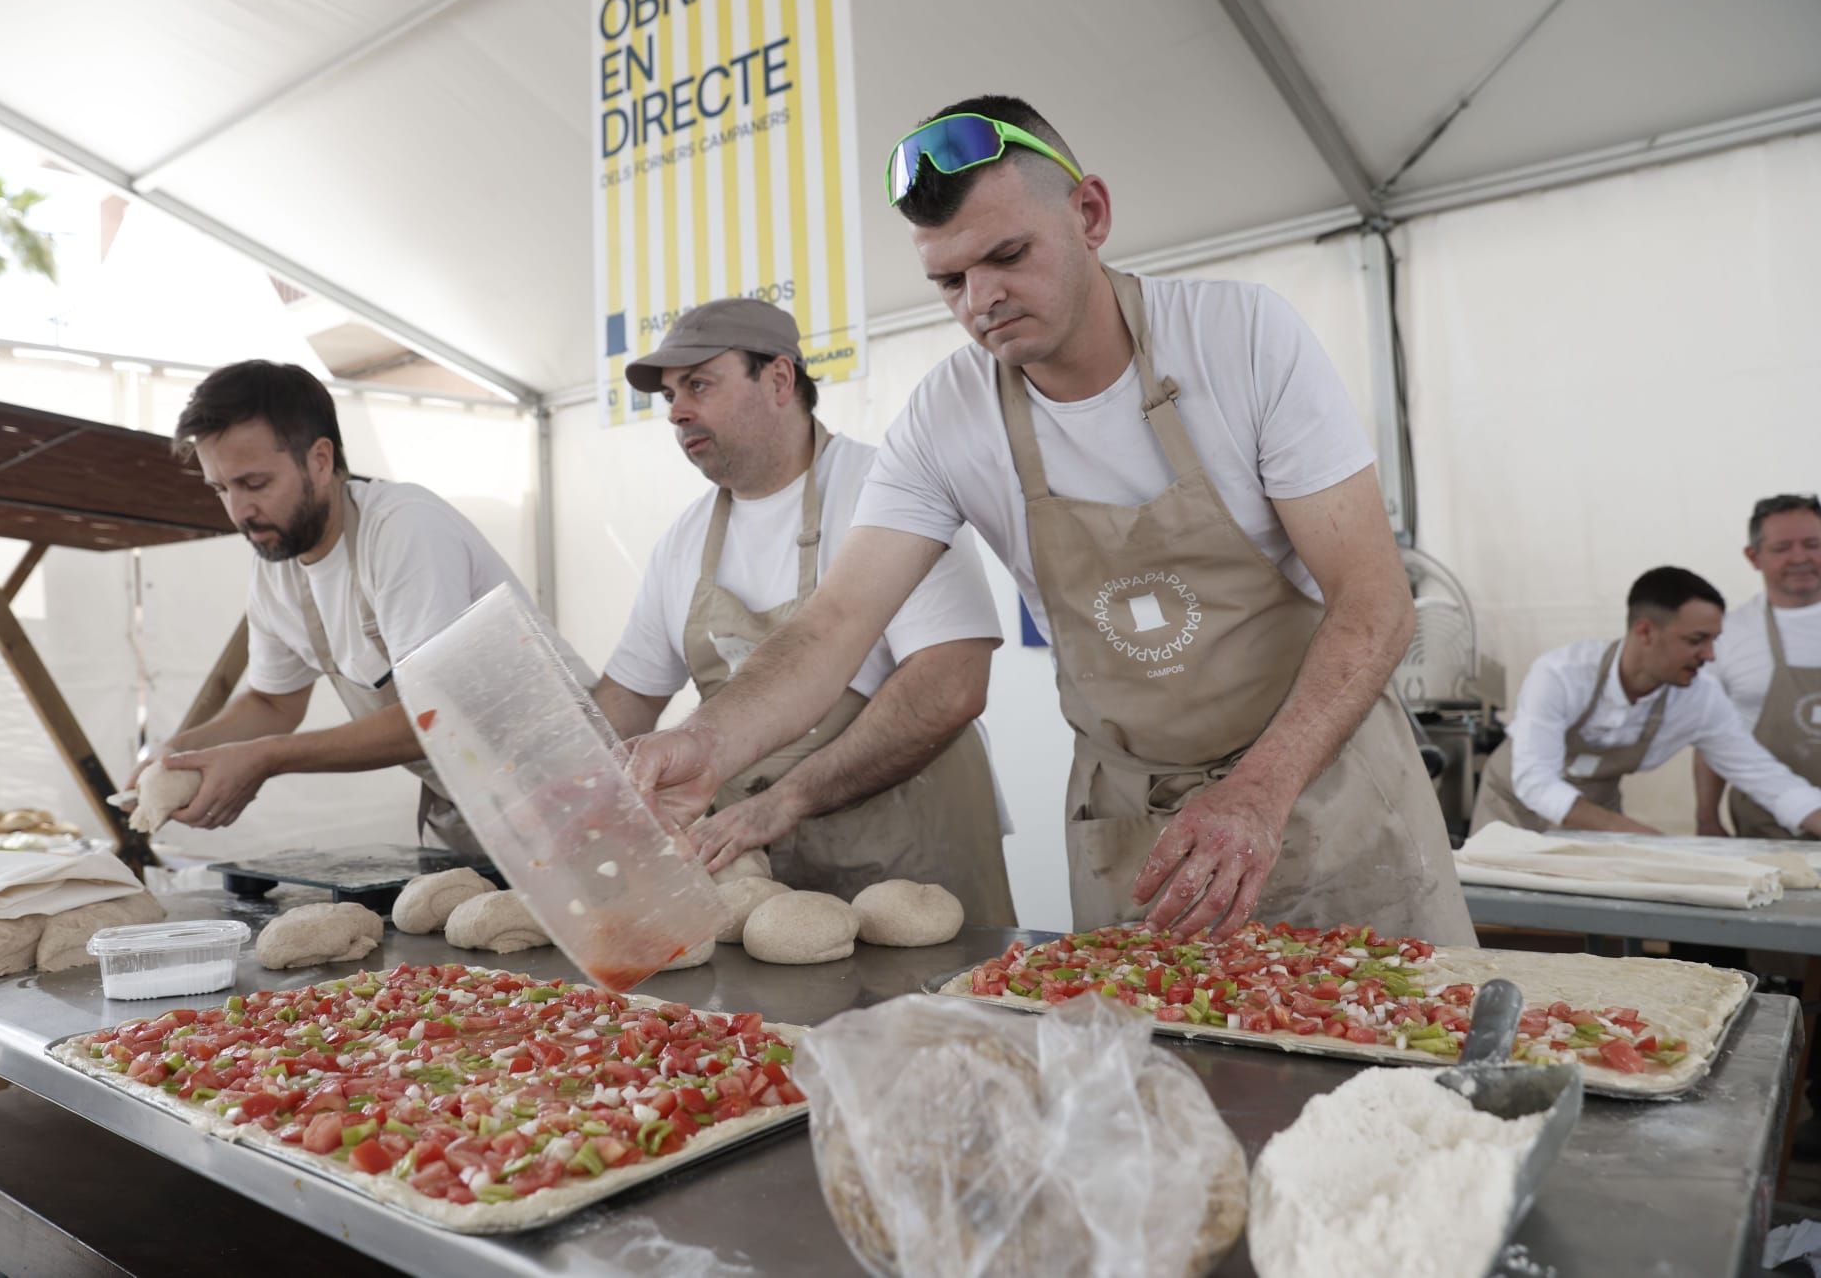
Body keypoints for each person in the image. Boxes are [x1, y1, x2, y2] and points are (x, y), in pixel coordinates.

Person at [625, 95, 1472, 943]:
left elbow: (1374, 599)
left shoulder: (1240, 339)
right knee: (1153, 1071)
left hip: (1324, 793)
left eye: (1008, 255)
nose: (981, 300)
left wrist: (1258, 790)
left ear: (1090, 214)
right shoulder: (946, 419)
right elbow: (833, 627)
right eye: (950, 281)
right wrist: (707, 742)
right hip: (1135, 823)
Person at [590, 299, 1016, 922]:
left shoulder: (889, 493)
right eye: (671, 397)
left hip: (910, 862)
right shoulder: (681, 543)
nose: (678, 412)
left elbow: (950, 684)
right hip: (761, 878)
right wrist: (556, 785)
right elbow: (626, 702)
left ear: (780, 379)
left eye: (700, 385)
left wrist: (786, 800)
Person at [130, 359, 583, 855]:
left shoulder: (404, 530)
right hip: (476, 804)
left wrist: (264, 758)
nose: (239, 512)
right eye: (221, 489)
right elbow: (273, 703)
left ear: (320, 460)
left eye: (255, 484)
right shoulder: (277, 563)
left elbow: (435, 714)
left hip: (578, 785)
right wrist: (180, 752)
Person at [1471, 565, 1821, 837]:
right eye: (1697, 640)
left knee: (1589, 924)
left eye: (1714, 640)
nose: (1711, 655)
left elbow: (1768, 779)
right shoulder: (1561, 674)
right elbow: (1535, 783)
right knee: (1500, 924)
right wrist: (1648, 839)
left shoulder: (1700, 699)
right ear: (1645, 632)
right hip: (1511, 811)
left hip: (1595, 819)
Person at [1694, 494, 1821, 837]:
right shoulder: (1725, 635)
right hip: (1765, 827)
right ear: (1754, 557)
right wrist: (1707, 818)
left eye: (1812, 544)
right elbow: (1711, 734)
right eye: (1782, 548)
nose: (1800, 558)